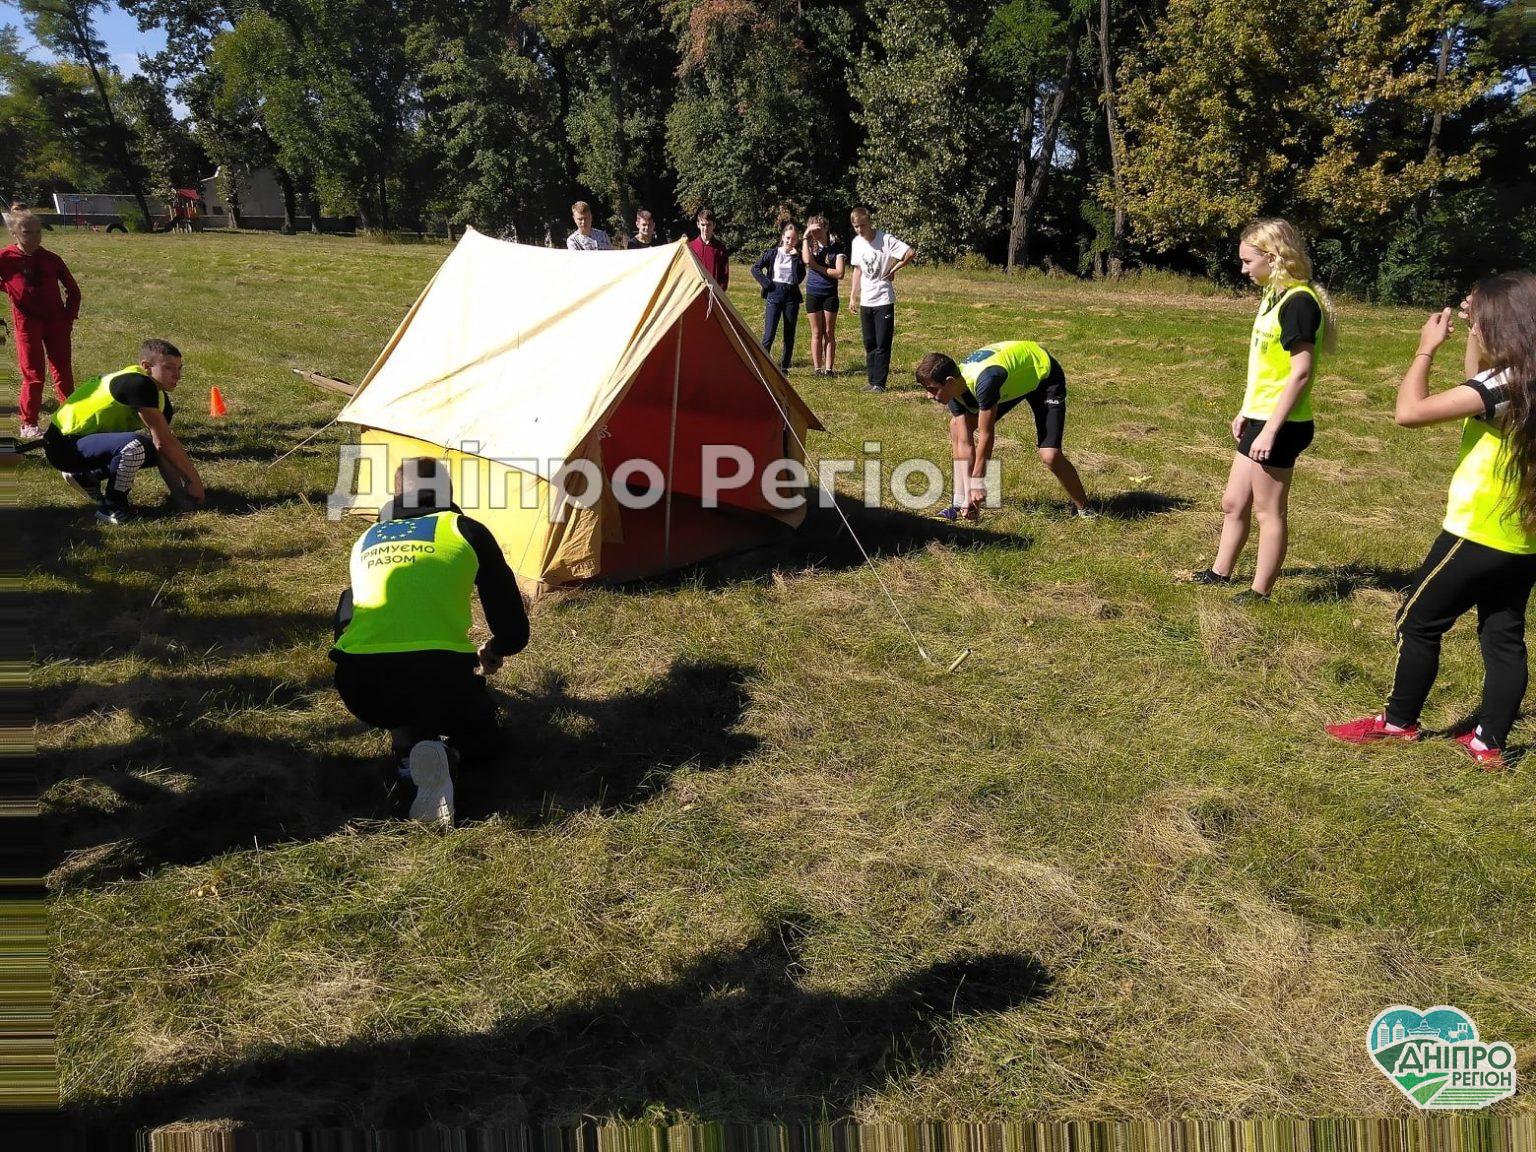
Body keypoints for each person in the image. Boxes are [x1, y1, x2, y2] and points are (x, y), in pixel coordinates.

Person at [1327, 272, 1536, 771]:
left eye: (1481, 319)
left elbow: (1409, 412)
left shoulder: (1503, 384)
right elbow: (1478, 379)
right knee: (1503, 637)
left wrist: (1425, 349)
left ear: (1501, 323)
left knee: (1417, 621)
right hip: (1523, 538)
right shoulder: (1522, 378)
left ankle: (1399, 723)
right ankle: (1489, 743)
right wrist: (1471, 334)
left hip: (1476, 531)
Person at [332, 457, 531, 824]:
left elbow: (350, 614)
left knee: (354, 603)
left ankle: (409, 750)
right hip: (442, 681)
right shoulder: (465, 529)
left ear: (395, 496)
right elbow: (514, 630)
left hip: (360, 688)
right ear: (449, 494)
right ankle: (452, 755)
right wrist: (496, 649)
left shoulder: (365, 538)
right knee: (485, 736)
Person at [1186, 219, 1335, 602]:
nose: (1242, 269)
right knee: (1233, 502)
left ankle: (1260, 591)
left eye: (1247, 261)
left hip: (1282, 425)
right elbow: (1266, 368)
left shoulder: (1299, 302)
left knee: (1269, 512)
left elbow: (1300, 374)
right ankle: (1220, 573)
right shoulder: (1274, 296)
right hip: (1259, 417)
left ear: (1271, 257)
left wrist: (1269, 429)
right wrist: (1245, 411)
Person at [915, 341, 1093, 522]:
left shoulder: (985, 382)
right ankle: (959, 503)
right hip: (1011, 380)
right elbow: (964, 442)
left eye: (932, 389)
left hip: (1043, 376)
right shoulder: (954, 388)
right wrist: (971, 492)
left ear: (949, 382)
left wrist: (978, 482)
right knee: (957, 427)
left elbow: (986, 435)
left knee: (1050, 456)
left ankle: (1085, 509)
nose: (929, 396)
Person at [41, 338, 204, 525]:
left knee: (149, 448)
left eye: (179, 368)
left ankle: (86, 476)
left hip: (85, 444)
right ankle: (112, 508)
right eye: (169, 368)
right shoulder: (137, 384)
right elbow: (163, 442)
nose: (177, 375)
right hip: (62, 445)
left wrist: (181, 496)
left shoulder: (161, 400)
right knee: (136, 446)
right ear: (146, 366)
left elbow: (164, 449)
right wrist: (194, 483)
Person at [1, 208, 80, 441]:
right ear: (14, 233)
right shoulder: (5, 258)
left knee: (63, 371)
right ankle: (29, 423)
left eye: (38, 232)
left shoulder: (51, 259)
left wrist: (68, 317)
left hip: (56, 322)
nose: (34, 237)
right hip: (27, 324)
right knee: (34, 374)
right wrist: (10, 289)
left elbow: (73, 291)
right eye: (27, 232)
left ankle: (71, 417)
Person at [847, 206, 915, 393]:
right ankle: (871, 380)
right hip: (866, 300)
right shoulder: (857, 243)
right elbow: (858, 270)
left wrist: (893, 269)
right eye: (855, 227)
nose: (859, 230)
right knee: (869, 342)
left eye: (862, 225)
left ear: (869, 222)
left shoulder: (885, 239)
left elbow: (909, 253)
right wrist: (853, 295)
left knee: (882, 342)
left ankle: (880, 383)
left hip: (883, 299)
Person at [751, 220, 805, 373]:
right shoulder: (773, 253)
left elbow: (798, 278)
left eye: (793, 239)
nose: (790, 241)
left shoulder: (798, 257)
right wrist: (767, 284)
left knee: (789, 334)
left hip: (791, 297)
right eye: (788, 238)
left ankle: (784, 367)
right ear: (782, 237)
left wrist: (796, 258)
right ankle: (761, 364)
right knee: (769, 333)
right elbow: (755, 269)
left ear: (797, 240)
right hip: (774, 294)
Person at [802, 215, 846, 376]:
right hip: (813, 292)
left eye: (818, 229)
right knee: (816, 332)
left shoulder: (836, 247)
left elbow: (840, 273)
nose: (815, 232)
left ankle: (829, 369)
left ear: (826, 228)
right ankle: (817, 369)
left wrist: (818, 267)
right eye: (812, 229)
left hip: (829, 293)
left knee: (829, 332)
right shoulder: (809, 245)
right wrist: (805, 236)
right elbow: (807, 261)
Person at [688, 208, 730, 288]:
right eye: (703, 225)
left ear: (714, 225)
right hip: (695, 294)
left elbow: (724, 275)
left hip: (713, 295)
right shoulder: (691, 247)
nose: (705, 229)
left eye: (709, 225)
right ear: (698, 225)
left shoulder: (720, 248)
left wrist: (719, 292)